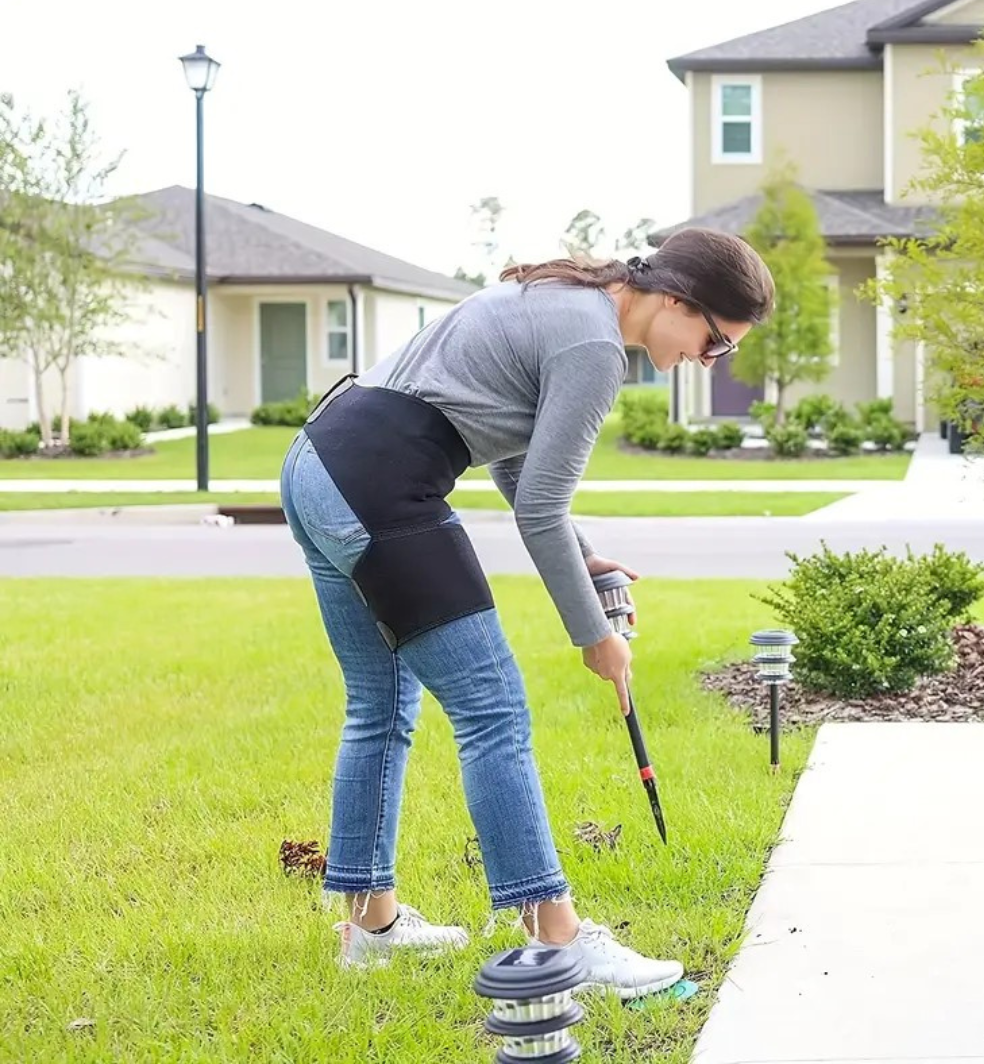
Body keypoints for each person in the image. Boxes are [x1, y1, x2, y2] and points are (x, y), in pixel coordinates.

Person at [279, 226, 774, 999]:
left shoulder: (563, 300)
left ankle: (372, 927)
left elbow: (516, 465)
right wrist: (597, 637)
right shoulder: (595, 346)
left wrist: (582, 556)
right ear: (678, 299)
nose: (708, 364)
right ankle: (558, 940)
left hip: (318, 464)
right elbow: (538, 508)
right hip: (380, 485)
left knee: (380, 704)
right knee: (494, 711)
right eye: (714, 343)